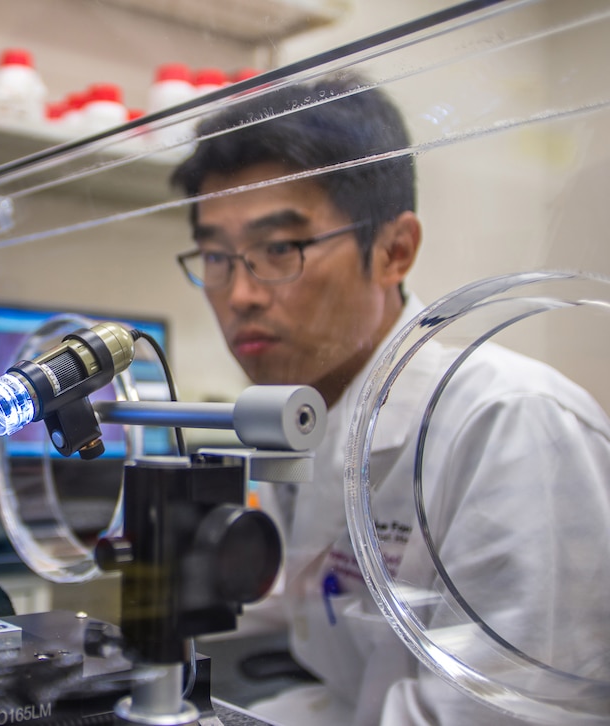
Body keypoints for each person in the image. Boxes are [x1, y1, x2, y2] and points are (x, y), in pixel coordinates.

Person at [170, 75, 610, 725]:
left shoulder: (507, 423)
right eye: (215, 256)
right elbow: (291, 606)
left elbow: (509, 715)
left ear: (394, 252)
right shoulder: (309, 412)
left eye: (278, 249)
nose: (239, 295)